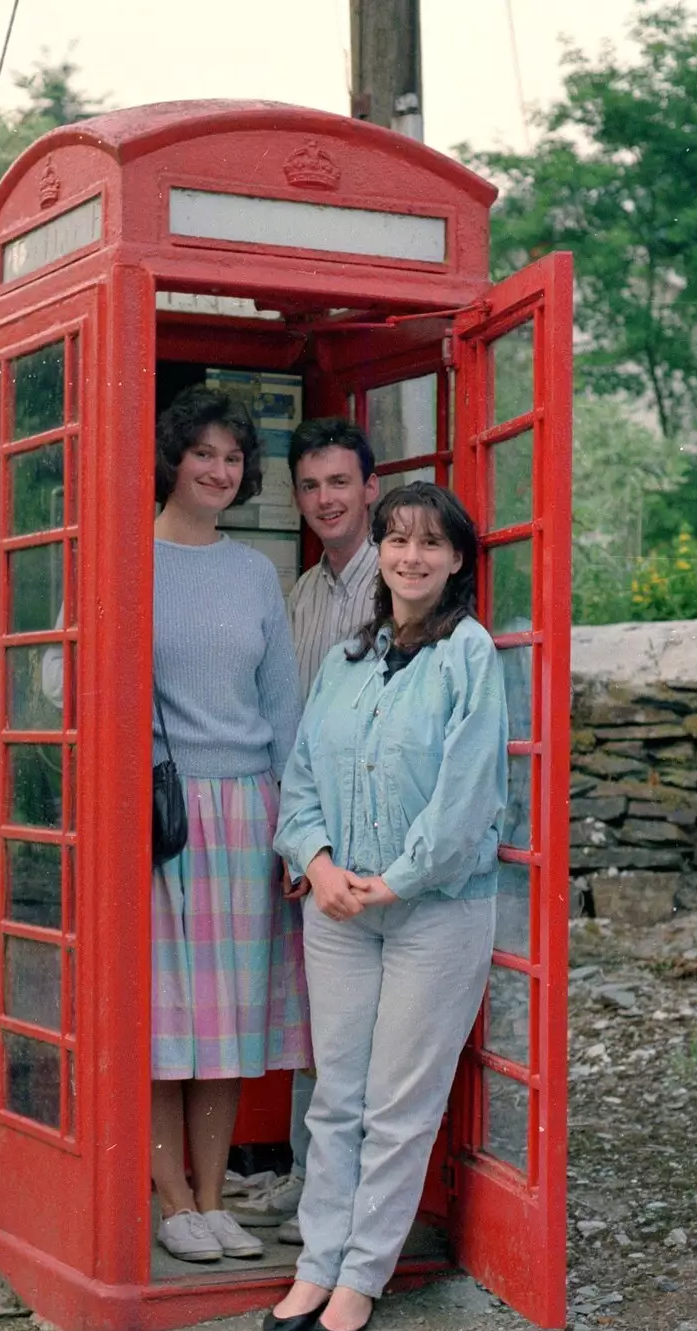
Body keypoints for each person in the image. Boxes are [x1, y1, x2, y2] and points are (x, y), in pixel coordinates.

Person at [268, 481, 508, 1331]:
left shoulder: (471, 657)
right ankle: (315, 1262)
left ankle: (361, 1277)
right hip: (337, 904)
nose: (411, 557)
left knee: (399, 1105)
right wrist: (318, 862)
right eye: (397, 540)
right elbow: (299, 779)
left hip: (432, 912)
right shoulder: (346, 660)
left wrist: (393, 881)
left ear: (455, 561)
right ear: (382, 552)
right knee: (336, 1098)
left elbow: (466, 796)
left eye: (430, 544)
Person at [148, 384, 310, 1264]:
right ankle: (170, 1196)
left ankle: (213, 1199)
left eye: (233, 457)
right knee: (161, 1017)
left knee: (226, 1021)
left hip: (248, 811)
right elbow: (66, 682)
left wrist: (295, 827)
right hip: (161, 817)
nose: (218, 470)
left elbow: (281, 704)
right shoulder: (124, 555)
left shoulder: (253, 571)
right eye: (203, 453)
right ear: (173, 458)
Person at [228, 418, 380, 1245]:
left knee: (352, 1027)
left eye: (339, 483)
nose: (326, 499)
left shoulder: (390, 585)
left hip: (365, 837)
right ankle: (306, 1179)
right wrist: (296, 838)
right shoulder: (304, 592)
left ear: (370, 489)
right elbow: (286, 721)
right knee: (311, 1013)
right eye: (312, 485)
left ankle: (346, 1200)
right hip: (308, 831)